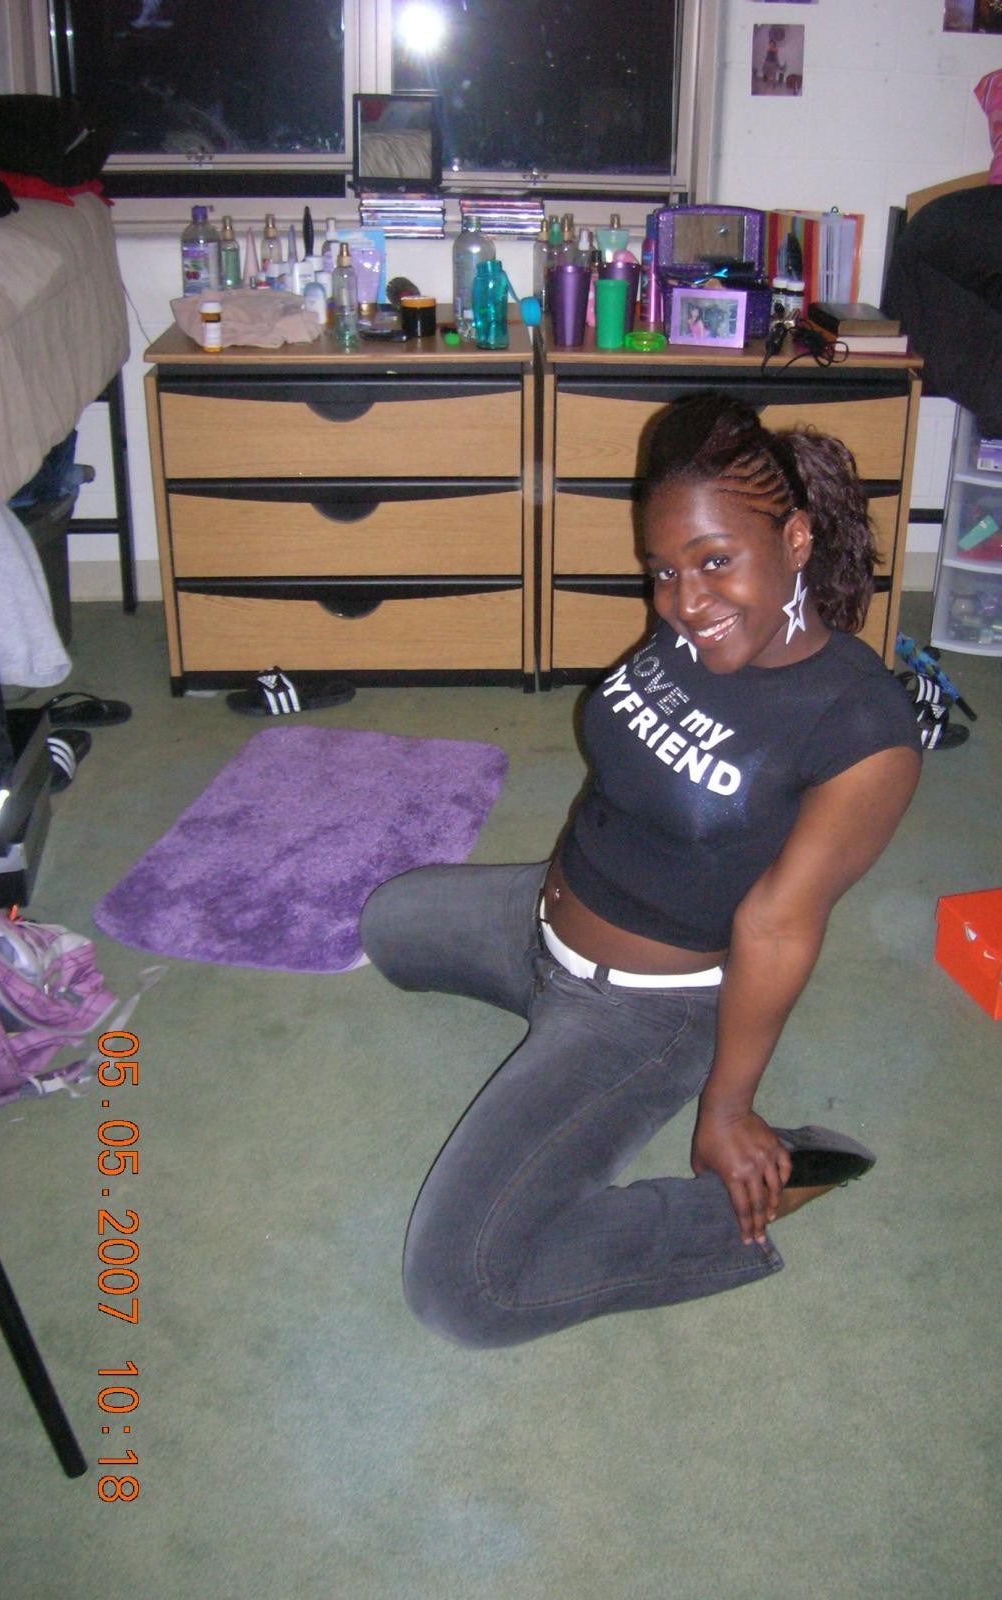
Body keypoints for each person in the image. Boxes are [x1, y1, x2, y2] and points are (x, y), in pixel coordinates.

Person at [361, 392, 922, 1347]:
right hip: (537, 918)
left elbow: (777, 926)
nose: (684, 601)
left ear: (794, 539)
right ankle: (537, 982)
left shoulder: (861, 731)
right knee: (386, 925)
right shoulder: (695, 624)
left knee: (463, 1291)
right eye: (662, 571)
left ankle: (764, 1190)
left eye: (714, 561)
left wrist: (727, 1108)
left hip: (648, 1009)